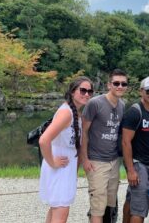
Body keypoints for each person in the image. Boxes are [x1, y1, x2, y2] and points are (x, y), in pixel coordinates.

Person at [39, 76, 94, 223]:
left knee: (56, 210)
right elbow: (44, 140)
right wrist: (52, 162)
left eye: (90, 91)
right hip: (59, 168)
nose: (87, 94)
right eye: (83, 90)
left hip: (65, 169)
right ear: (72, 92)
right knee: (61, 214)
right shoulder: (66, 113)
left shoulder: (75, 113)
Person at [81, 69, 128, 223]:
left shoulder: (122, 105)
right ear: (109, 85)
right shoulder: (95, 103)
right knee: (97, 205)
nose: (120, 86)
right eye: (116, 83)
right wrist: (85, 159)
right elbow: (84, 132)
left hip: (114, 160)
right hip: (96, 161)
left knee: (110, 201)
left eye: (123, 84)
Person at [122, 76, 149, 223]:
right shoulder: (134, 112)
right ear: (141, 91)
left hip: (148, 162)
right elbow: (125, 142)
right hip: (137, 163)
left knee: (132, 198)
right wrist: (131, 170)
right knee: (141, 205)